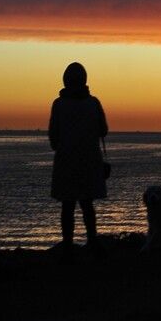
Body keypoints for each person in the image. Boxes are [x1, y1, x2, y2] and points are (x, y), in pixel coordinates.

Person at [48, 62, 109, 258]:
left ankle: (67, 245)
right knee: (87, 204)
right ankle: (92, 241)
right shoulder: (93, 103)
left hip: (66, 162)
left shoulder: (58, 105)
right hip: (89, 161)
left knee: (67, 206)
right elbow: (103, 130)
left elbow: (53, 139)